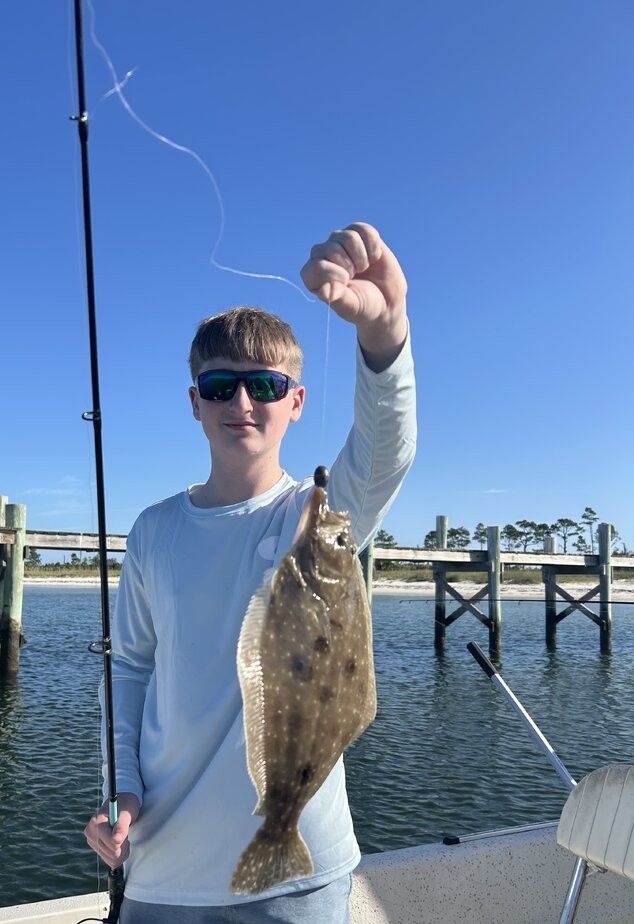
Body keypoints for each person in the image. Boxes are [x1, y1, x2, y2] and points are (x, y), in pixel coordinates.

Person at [84, 221, 417, 922]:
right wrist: (120, 788)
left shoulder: (318, 518)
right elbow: (130, 670)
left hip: (302, 875)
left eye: (265, 384)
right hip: (163, 867)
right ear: (195, 402)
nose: (242, 402)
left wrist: (384, 333)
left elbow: (384, 451)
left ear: (296, 402)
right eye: (221, 385)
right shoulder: (154, 532)